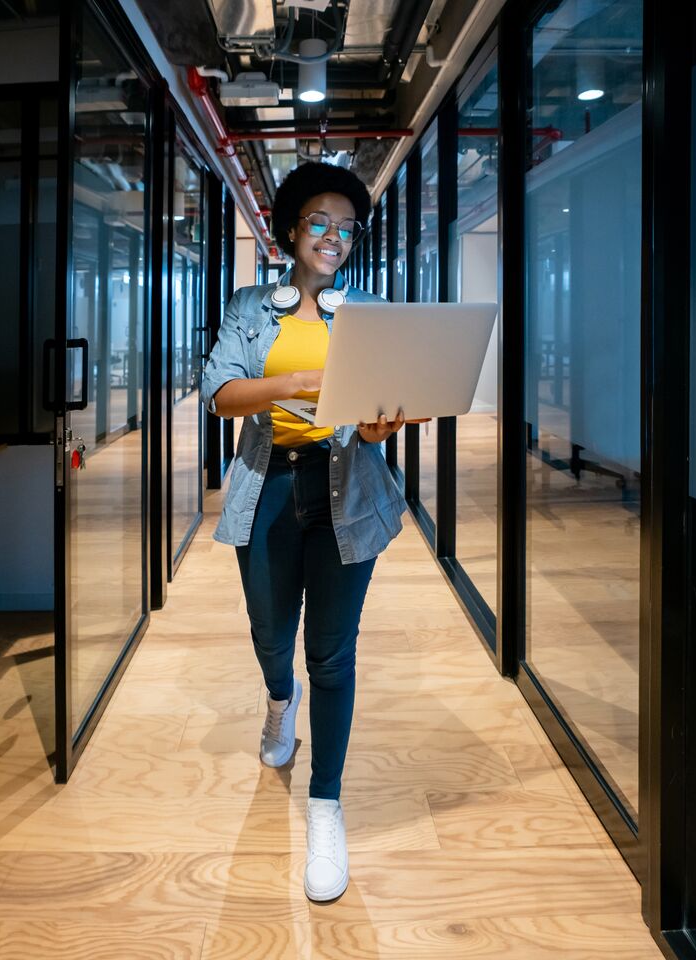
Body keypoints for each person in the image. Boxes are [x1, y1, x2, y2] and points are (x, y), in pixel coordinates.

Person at [199, 162, 423, 902]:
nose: (332, 237)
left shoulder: (371, 313)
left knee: (331, 654)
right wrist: (294, 384)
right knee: (272, 635)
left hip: (346, 489)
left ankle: (326, 804)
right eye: (318, 223)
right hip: (269, 487)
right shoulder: (250, 307)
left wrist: (384, 423)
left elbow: (377, 415)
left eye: (345, 227)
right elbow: (221, 395)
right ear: (292, 231)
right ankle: (275, 698)